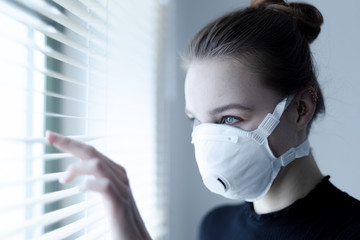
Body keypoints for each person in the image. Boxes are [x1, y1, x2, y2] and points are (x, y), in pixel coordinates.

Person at [47, 0, 360, 239]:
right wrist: (126, 219)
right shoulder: (214, 227)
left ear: (300, 109)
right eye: (196, 120)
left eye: (227, 119)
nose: (209, 142)